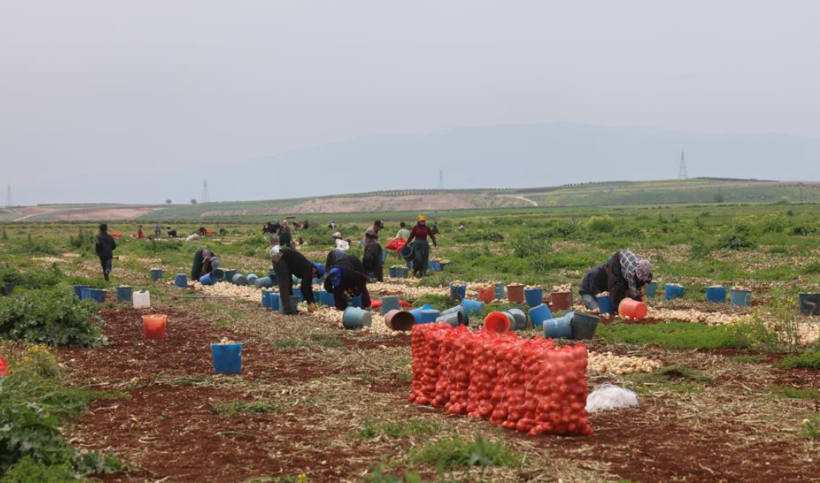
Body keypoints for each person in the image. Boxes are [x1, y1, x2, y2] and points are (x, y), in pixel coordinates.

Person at [581, 249, 652, 311]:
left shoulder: (644, 269)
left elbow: (649, 277)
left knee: (607, 306)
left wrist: (644, 286)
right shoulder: (596, 273)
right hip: (588, 292)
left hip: (599, 293)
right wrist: (602, 294)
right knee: (597, 309)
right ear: (608, 268)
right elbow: (593, 289)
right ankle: (588, 304)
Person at [272, 246, 324, 315]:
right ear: (314, 270)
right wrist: (310, 302)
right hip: (280, 258)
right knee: (284, 284)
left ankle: (291, 307)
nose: (313, 277)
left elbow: (308, 286)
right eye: (315, 275)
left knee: (289, 283)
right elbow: (304, 287)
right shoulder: (308, 268)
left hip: (283, 259)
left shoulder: (308, 267)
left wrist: (312, 301)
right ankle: (287, 310)